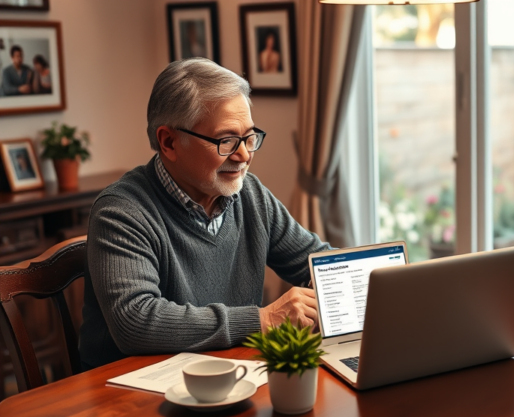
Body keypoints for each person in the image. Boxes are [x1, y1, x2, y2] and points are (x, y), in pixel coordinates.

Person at [79, 58, 329, 370]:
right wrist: (262, 319)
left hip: (228, 375)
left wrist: (355, 284)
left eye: (250, 137)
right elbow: (136, 321)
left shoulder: (250, 194)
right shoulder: (121, 210)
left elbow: (320, 263)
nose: (244, 155)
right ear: (169, 142)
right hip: (128, 395)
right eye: (226, 141)